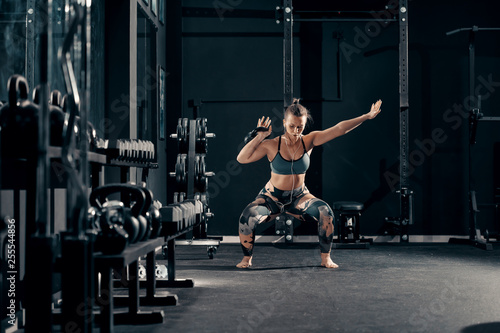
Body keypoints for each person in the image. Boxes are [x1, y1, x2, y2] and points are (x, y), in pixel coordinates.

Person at [236, 99, 382, 269]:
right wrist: (260, 136)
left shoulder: (309, 140)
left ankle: (325, 258)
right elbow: (241, 158)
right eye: (292, 126)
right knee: (247, 217)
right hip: (272, 198)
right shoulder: (272, 144)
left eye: (300, 126)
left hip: (299, 197)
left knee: (325, 212)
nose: (296, 131)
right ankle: (247, 259)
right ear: (284, 123)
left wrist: (366, 116)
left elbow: (339, 129)